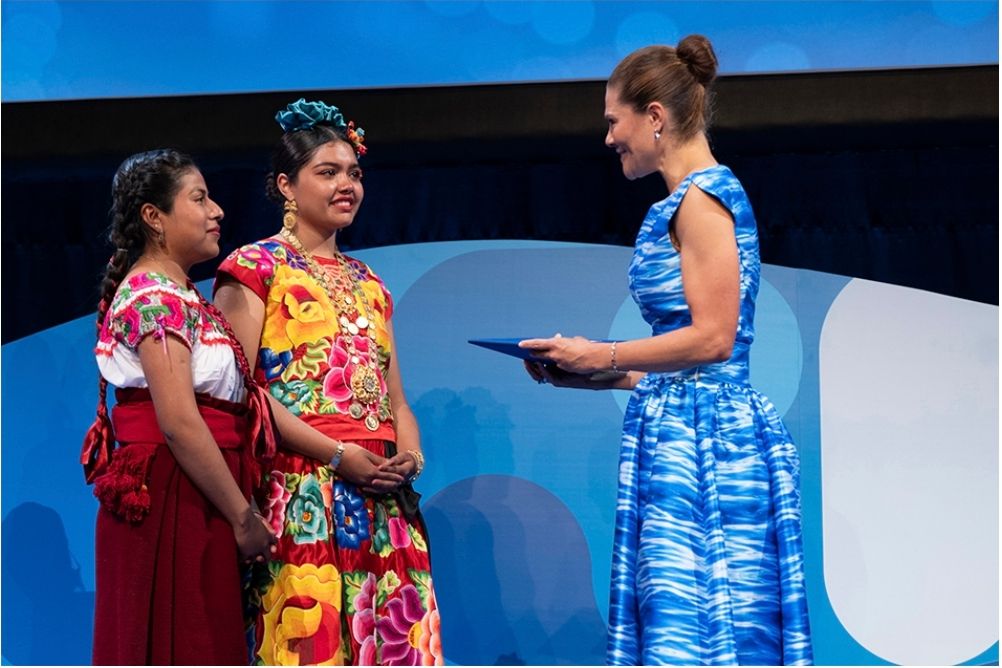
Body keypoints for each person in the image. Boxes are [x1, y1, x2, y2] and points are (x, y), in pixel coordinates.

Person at [521, 35, 813, 666]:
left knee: (702, 630)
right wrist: (587, 372)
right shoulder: (686, 200)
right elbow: (689, 366)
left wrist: (605, 354)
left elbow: (715, 339)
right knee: (679, 626)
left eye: (613, 121)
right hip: (683, 426)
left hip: (710, 445)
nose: (608, 138)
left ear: (654, 116)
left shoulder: (703, 199)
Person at [214, 99, 444, 666]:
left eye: (354, 173)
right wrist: (338, 455)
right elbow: (244, 392)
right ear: (286, 186)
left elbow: (396, 400)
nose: (347, 185)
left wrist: (409, 458)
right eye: (328, 172)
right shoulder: (254, 268)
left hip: (383, 498)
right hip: (302, 492)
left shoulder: (370, 283)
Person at [80, 149, 278, 665]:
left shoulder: (184, 295)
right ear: (154, 216)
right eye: (199, 198)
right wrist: (242, 517)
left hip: (203, 486)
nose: (217, 211)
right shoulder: (152, 296)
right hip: (175, 491)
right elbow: (179, 422)